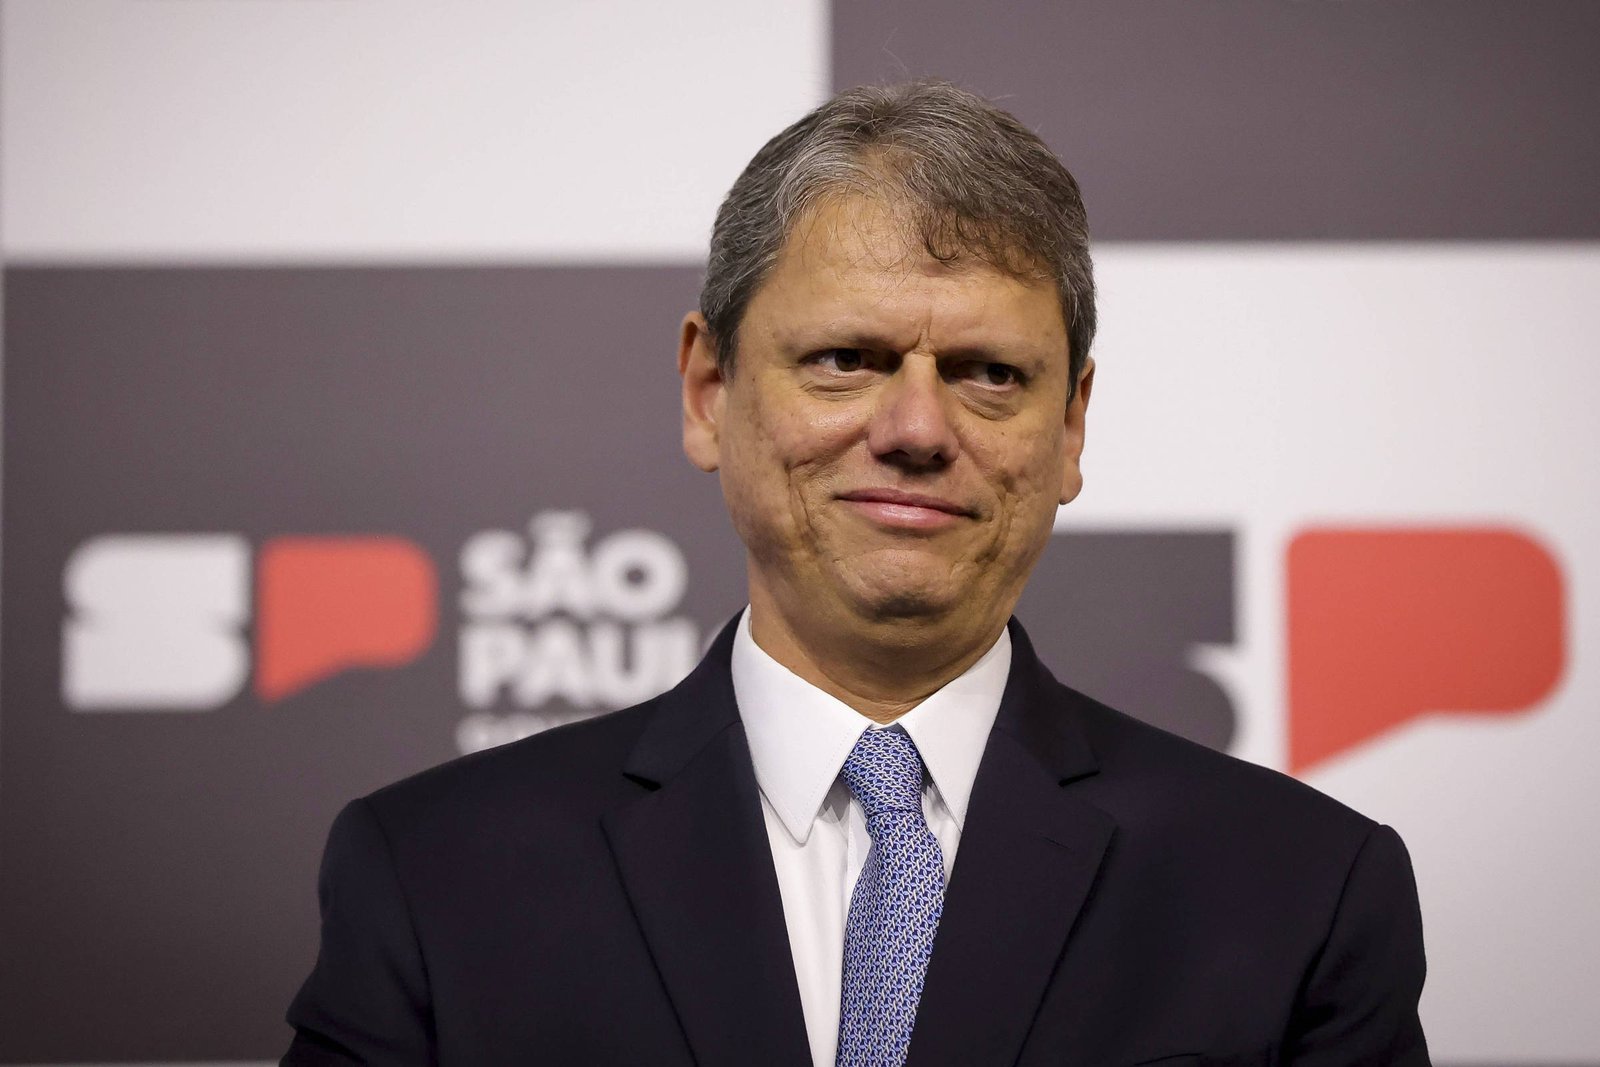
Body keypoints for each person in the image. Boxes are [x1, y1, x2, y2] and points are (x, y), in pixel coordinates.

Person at [282, 81, 1429, 1066]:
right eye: (845, 358)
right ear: (708, 389)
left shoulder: (1304, 887)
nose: (918, 428)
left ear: (1071, 428)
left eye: (987, 372)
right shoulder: (433, 876)